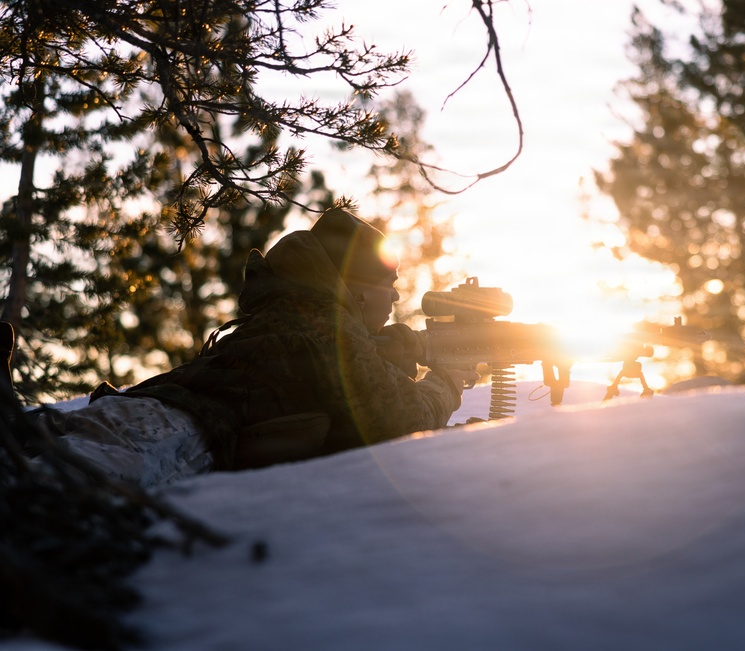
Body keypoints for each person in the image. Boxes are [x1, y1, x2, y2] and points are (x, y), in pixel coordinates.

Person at [3, 207, 475, 488]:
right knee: (47, 491)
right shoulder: (327, 331)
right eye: (386, 284)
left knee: (27, 451)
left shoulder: (294, 314)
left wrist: (394, 350)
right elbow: (396, 418)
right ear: (352, 289)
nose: (395, 296)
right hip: (174, 433)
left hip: (142, 409)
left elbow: (335, 371)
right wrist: (448, 382)